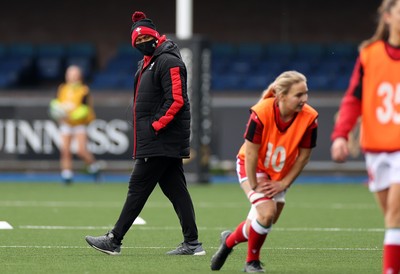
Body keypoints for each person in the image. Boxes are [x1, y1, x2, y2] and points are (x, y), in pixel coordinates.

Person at [85, 11, 205, 256]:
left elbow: (177, 100)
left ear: (155, 36)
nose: (141, 44)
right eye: (136, 42)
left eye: (144, 39)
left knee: (137, 187)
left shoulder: (168, 60)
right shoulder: (148, 61)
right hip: (158, 140)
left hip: (161, 139)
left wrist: (155, 126)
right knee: (175, 189)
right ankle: (192, 244)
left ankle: (114, 239)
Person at [210, 71, 318, 272]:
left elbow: (304, 157)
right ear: (282, 96)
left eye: (306, 93)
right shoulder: (261, 113)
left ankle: (229, 241)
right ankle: (252, 262)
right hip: (252, 167)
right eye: (298, 95)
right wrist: (254, 184)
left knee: (265, 220)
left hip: (278, 173)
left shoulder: (309, 118)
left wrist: (283, 183)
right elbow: (250, 153)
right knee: (267, 214)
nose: (304, 99)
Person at [330, 1, 400, 273]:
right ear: (387, 16)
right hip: (376, 149)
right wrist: (340, 135)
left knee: (395, 216)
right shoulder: (370, 54)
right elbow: (353, 99)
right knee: (391, 219)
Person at [48, 65, 100, 184]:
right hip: (65, 123)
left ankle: (94, 167)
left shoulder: (84, 90)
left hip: (79, 124)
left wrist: (71, 115)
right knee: (65, 150)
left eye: (74, 74)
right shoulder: (62, 88)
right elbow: (56, 103)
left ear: (79, 76)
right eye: (69, 74)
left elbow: (85, 109)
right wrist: (57, 112)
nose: (71, 76)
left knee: (81, 150)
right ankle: (67, 175)